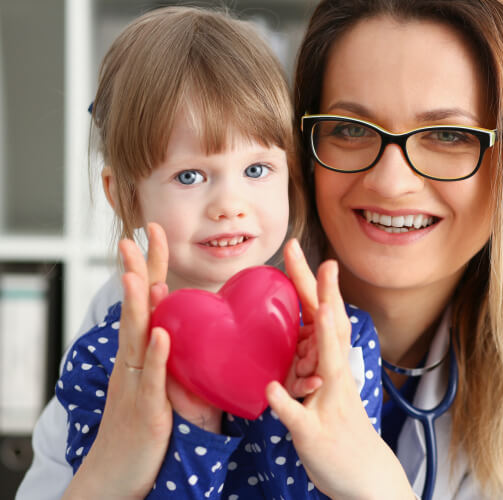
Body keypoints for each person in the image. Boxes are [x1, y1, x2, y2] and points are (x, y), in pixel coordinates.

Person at [18, 0, 503, 498]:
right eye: (351, 128)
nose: (391, 180)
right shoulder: (154, 314)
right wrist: (105, 480)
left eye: (448, 135)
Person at [41, 6, 383, 499]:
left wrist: (305, 415)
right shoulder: (102, 362)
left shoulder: (340, 343)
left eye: (257, 169)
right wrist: (195, 426)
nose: (229, 205)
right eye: (190, 176)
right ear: (125, 197)